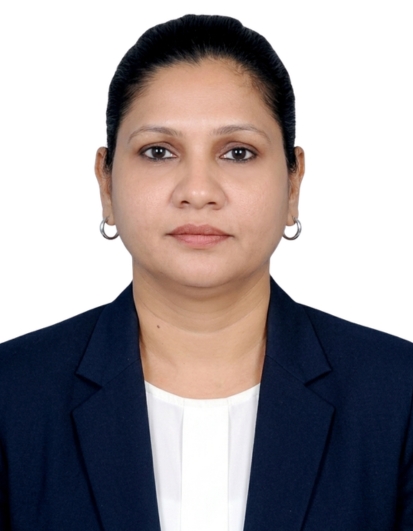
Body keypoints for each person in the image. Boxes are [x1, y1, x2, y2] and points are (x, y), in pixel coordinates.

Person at [0, 13, 412, 531]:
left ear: (293, 183)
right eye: (159, 152)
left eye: (238, 152)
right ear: (106, 183)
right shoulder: (11, 396)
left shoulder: (399, 397)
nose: (197, 190)